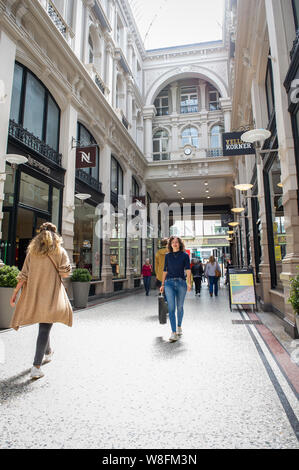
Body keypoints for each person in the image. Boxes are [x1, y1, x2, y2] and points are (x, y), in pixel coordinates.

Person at [10, 222, 73, 380]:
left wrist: (15, 293)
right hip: (51, 295)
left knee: (44, 323)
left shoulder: (32, 252)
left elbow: (23, 274)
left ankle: (48, 351)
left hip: (35, 295)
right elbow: (65, 273)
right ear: (55, 234)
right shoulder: (60, 251)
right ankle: (36, 367)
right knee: (44, 328)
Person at [160, 236, 191, 342]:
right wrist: (162, 284)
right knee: (172, 308)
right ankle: (173, 333)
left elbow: (188, 270)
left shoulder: (185, 256)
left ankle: (179, 326)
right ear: (170, 244)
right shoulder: (167, 256)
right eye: (173, 242)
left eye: (176, 242)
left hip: (181, 283)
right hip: (169, 283)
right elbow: (165, 270)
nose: (174, 244)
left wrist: (189, 282)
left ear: (180, 244)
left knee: (180, 307)